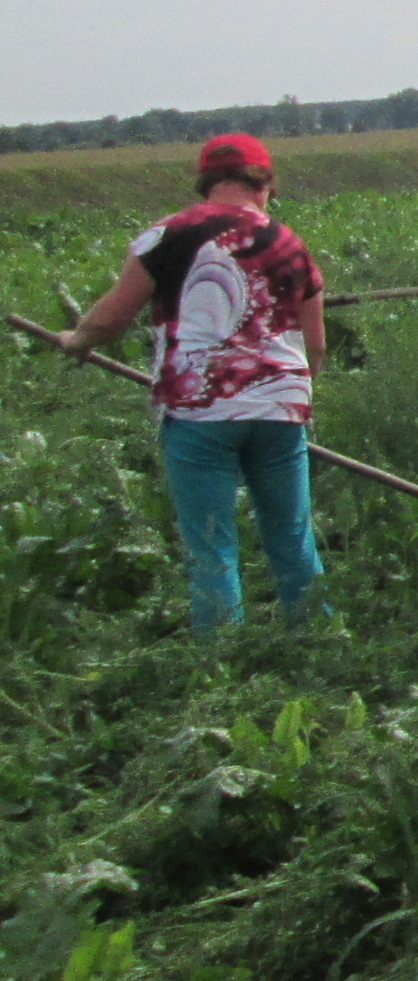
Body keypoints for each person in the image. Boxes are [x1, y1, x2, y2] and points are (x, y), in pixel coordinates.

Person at [52, 133, 329, 633]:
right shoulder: (289, 243)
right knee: (292, 535)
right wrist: (291, 396)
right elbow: (317, 346)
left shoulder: (167, 235)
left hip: (200, 410)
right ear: (263, 183)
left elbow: (112, 317)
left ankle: (220, 665)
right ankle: (318, 639)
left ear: (206, 181)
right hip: (281, 409)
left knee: (212, 543)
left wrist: (77, 341)